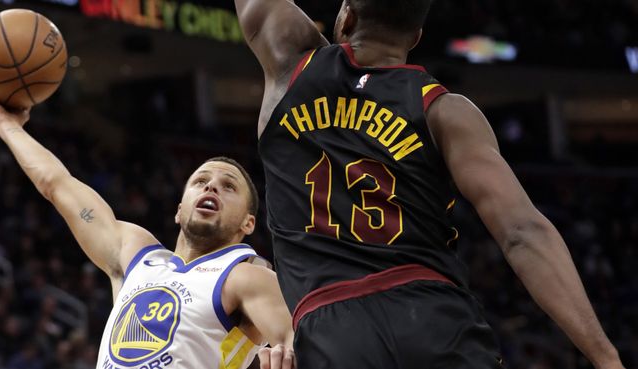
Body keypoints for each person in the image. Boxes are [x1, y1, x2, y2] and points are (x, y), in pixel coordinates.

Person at [233, 0, 625, 368]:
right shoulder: (445, 111)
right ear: (416, 36)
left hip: (333, 325)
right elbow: (523, 232)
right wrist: (605, 357)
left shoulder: (292, 63)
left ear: (346, 17)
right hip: (435, 317)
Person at [0, 72, 295, 369]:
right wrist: (4, 124)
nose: (211, 186)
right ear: (179, 209)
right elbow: (58, 184)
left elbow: (300, 345)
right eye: (200, 181)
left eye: (229, 187)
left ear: (248, 224)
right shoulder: (137, 255)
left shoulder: (249, 277)